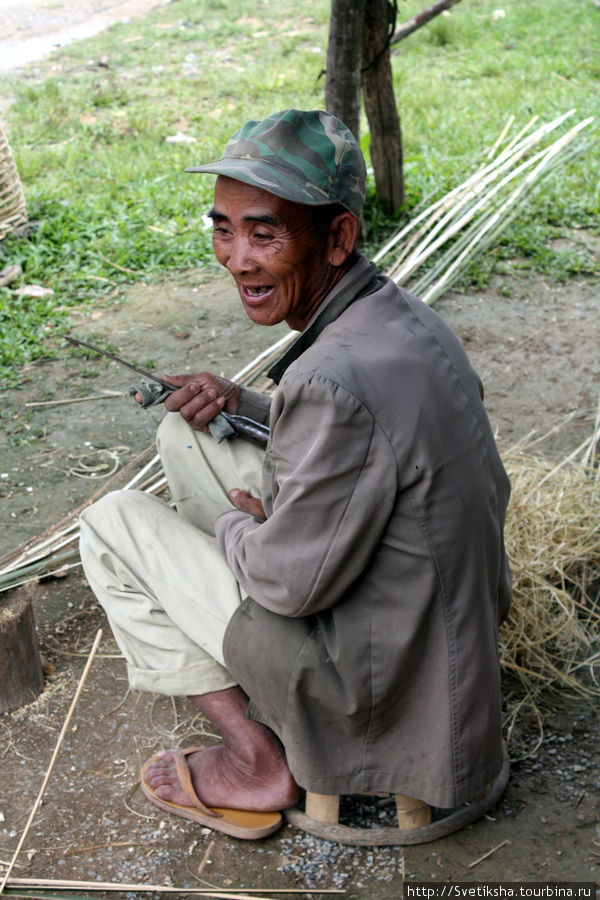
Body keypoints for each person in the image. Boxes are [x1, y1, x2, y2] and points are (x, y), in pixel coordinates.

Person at [79, 108, 512, 841]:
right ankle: (248, 667)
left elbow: (288, 583)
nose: (237, 258)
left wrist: (238, 526)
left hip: (371, 679)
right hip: (431, 624)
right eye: (224, 228)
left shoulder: (330, 379)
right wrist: (241, 405)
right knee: (183, 433)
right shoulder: (401, 319)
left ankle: (256, 759)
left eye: (265, 233)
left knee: (111, 524)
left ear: (337, 237)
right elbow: (360, 441)